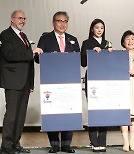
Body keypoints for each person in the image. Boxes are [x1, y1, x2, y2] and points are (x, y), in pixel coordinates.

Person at [34, 11, 80, 153]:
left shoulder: (73, 39)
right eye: (59, 21)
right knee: (52, 111)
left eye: (65, 21)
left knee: (68, 110)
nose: (62, 24)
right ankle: (54, 144)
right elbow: (37, 59)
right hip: (51, 82)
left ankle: (66, 144)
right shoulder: (45, 38)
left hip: (69, 81)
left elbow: (77, 59)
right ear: (53, 23)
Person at [0, 10, 43, 154]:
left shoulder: (23, 36)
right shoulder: (5, 35)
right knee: (11, 115)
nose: (22, 20)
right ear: (12, 19)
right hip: (12, 81)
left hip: (24, 82)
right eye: (20, 18)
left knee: (20, 116)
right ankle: (6, 146)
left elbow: (29, 63)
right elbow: (10, 55)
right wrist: (31, 53)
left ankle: (15, 143)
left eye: (24, 18)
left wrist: (31, 83)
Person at [81, 18, 113, 152]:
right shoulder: (86, 43)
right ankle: (94, 141)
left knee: (104, 111)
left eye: (102, 28)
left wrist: (112, 53)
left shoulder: (107, 43)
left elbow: (112, 63)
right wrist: (91, 52)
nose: (99, 30)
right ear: (92, 29)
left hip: (105, 79)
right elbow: (83, 62)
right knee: (94, 110)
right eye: (97, 27)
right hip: (92, 79)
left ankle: (102, 141)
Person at [120, 30, 134, 152]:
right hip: (122, 89)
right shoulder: (118, 55)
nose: (130, 41)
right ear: (123, 41)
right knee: (123, 117)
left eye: (133, 39)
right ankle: (125, 142)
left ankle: (132, 143)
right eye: (127, 39)